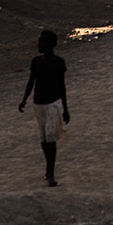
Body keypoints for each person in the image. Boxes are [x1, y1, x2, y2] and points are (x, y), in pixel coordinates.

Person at [18, 30, 70, 187]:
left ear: (50, 44)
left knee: (50, 138)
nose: (38, 44)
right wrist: (24, 100)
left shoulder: (59, 62)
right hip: (38, 103)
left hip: (53, 104)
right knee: (44, 139)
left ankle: (51, 174)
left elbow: (62, 87)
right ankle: (49, 167)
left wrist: (65, 109)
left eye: (42, 41)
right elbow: (31, 82)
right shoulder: (36, 62)